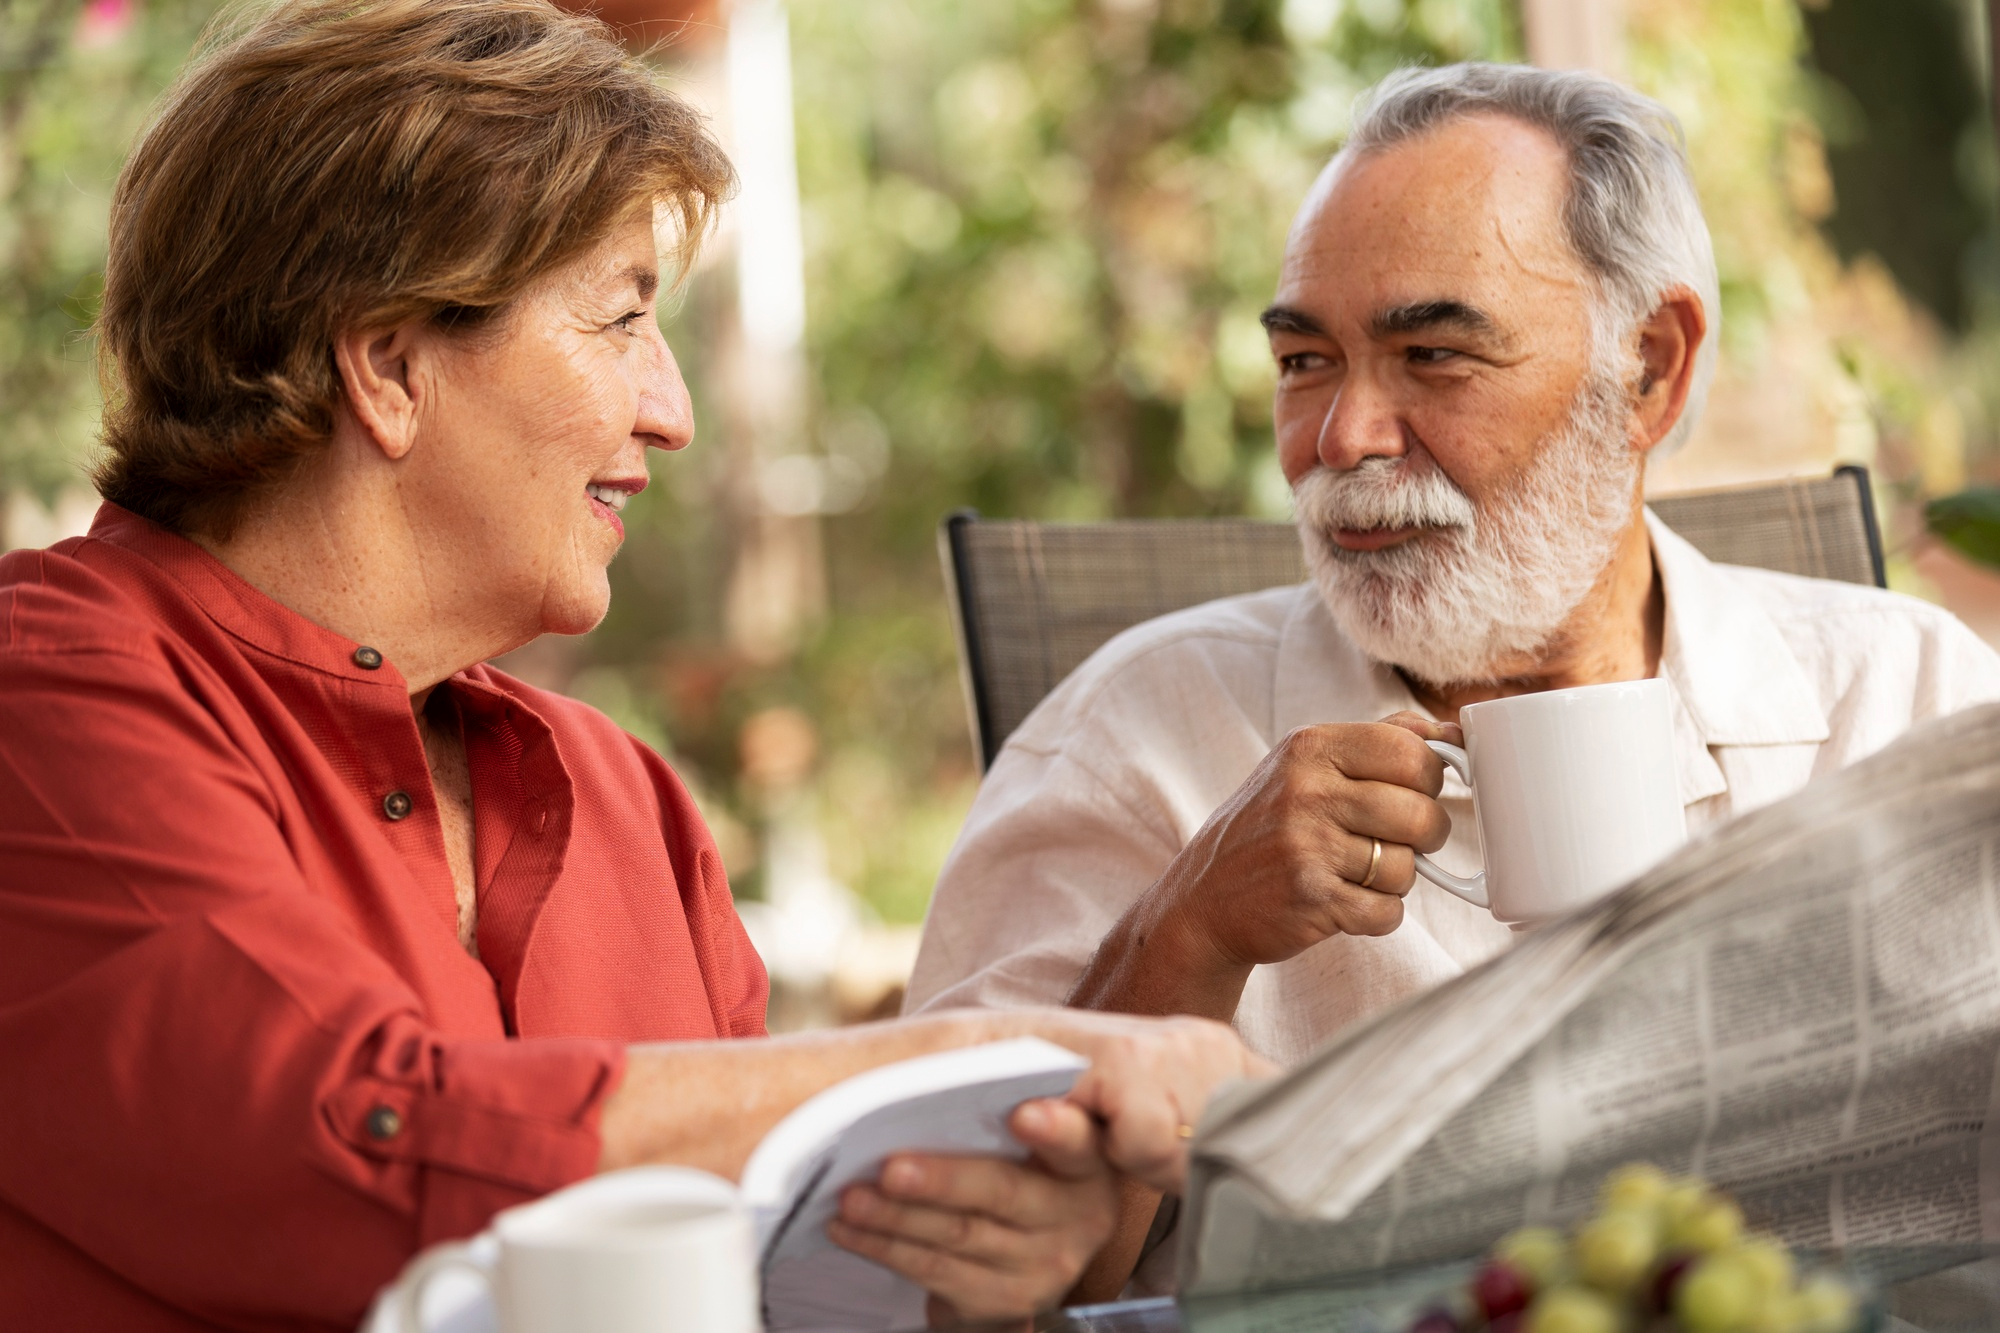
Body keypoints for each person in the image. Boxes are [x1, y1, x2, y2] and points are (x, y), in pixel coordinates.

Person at [0, 4, 1270, 1328]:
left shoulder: (625, 799)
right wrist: (1000, 1052)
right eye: (619, 321)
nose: (673, 412)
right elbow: (345, 1154)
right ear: (385, 365)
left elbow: (765, 1266)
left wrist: (938, 1278)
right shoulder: (43, 698)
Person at [907, 65, 2000, 1069]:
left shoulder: (1911, 703)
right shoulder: (1133, 741)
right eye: (1302, 362)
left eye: (1432, 354)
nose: (1341, 439)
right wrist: (1181, 934)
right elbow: (943, 1263)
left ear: (1647, 370)